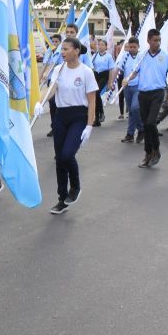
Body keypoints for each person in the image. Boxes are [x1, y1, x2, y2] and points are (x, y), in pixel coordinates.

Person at [35, 37, 97, 214]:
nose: (62, 52)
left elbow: (92, 101)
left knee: (67, 154)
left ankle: (75, 187)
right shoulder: (58, 69)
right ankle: (62, 198)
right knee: (59, 159)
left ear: (76, 51)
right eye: (61, 49)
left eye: (66, 49)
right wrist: (41, 102)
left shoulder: (86, 72)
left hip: (78, 116)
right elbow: (52, 89)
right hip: (61, 116)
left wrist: (89, 126)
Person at [122, 29, 168, 167]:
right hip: (143, 94)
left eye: (159, 40)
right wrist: (127, 79)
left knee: (151, 123)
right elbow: (134, 72)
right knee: (146, 125)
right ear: (148, 40)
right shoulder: (142, 56)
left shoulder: (166, 57)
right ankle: (148, 153)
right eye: (155, 40)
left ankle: (156, 150)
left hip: (157, 93)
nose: (157, 43)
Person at [109, 37, 142, 143]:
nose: (132, 49)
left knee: (135, 108)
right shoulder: (125, 56)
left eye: (134, 47)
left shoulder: (141, 57)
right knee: (131, 112)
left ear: (138, 47)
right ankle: (130, 134)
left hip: (138, 86)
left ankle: (141, 129)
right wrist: (112, 82)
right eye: (130, 47)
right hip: (127, 86)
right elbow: (117, 69)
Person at [43, 34, 63, 137]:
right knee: (52, 104)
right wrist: (41, 75)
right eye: (52, 42)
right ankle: (54, 127)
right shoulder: (49, 52)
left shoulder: (61, 53)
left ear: (60, 42)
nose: (54, 43)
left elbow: (58, 65)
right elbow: (45, 64)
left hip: (58, 81)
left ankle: (59, 126)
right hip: (50, 80)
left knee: (57, 103)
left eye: (56, 42)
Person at [91, 39, 113, 126]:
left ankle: (101, 112)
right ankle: (97, 119)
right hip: (96, 75)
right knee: (95, 95)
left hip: (104, 75)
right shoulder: (95, 55)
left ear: (106, 47)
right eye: (99, 45)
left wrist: (110, 83)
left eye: (102, 45)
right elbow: (91, 66)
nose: (100, 46)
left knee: (96, 92)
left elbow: (111, 69)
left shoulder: (109, 56)